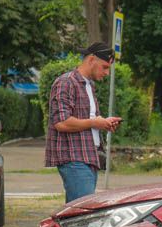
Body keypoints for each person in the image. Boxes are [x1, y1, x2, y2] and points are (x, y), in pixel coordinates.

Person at [46, 42, 121, 202]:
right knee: (84, 213)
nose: (107, 73)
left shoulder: (88, 85)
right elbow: (62, 122)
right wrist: (95, 123)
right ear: (91, 59)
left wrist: (104, 123)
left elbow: (87, 120)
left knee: (76, 213)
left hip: (88, 156)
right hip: (74, 157)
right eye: (105, 67)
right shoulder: (66, 82)